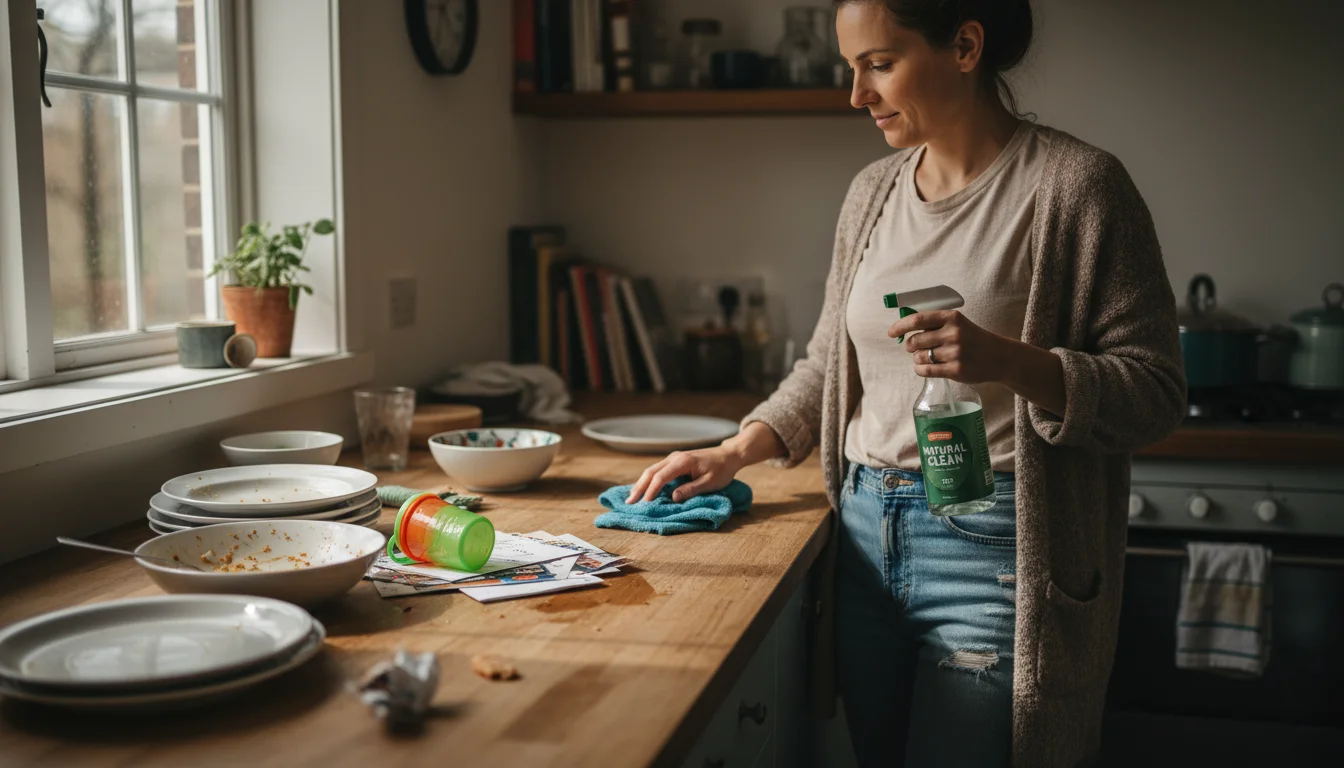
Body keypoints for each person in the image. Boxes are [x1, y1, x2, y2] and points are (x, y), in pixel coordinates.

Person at [626, 0, 1186, 765]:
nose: (857, 94)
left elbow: (1153, 391)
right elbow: (828, 364)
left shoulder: (1078, 188)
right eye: (850, 68)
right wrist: (735, 451)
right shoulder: (872, 193)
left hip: (994, 547)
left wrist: (1008, 360)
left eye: (879, 65)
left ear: (964, 46)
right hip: (861, 534)